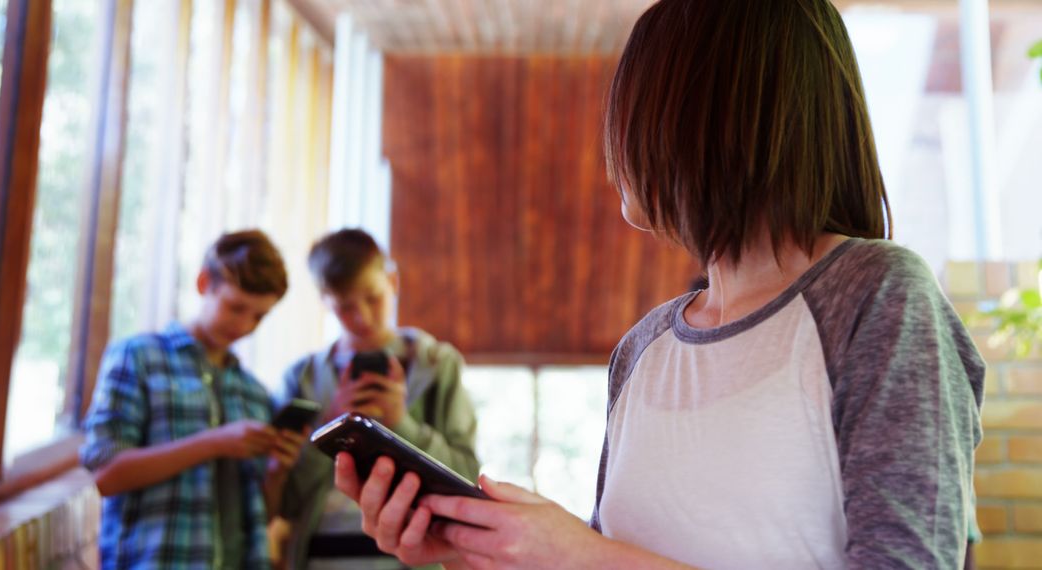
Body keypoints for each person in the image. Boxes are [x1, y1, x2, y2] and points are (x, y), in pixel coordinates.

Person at [332, 1, 986, 568]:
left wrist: (578, 554)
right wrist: (476, 552)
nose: (615, 141)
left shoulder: (878, 297)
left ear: (703, 115)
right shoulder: (643, 349)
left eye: (633, 105)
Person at [80, 229, 308, 569]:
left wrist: (277, 470)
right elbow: (107, 476)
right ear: (204, 283)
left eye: (259, 316)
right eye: (236, 307)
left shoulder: (254, 392)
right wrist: (214, 443)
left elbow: (263, 513)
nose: (244, 325)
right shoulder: (138, 357)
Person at [274, 228, 480, 570]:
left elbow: (466, 476)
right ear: (325, 300)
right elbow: (287, 499)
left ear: (392, 282)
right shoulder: (301, 378)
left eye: (372, 298)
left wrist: (401, 423)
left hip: (412, 557)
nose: (362, 318)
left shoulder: (438, 366)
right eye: (344, 307)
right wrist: (331, 424)